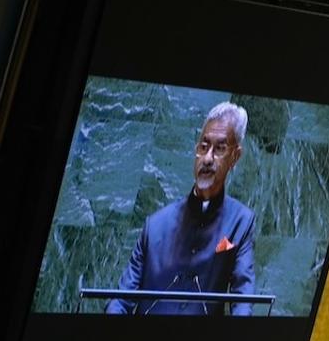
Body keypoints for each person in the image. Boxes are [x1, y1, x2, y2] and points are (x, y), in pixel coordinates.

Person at [106, 102, 256, 316]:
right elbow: (121, 299)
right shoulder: (155, 224)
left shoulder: (242, 221)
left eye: (220, 149)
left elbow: (243, 301)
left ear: (235, 157)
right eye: (203, 147)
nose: (207, 159)